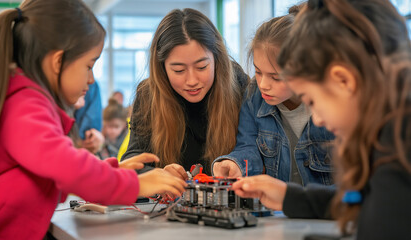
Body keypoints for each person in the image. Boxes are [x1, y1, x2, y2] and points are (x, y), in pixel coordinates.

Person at [0, 1, 186, 238]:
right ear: (58, 61)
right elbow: (66, 168)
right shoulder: (25, 104)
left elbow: (53, 173)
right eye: (89, 66)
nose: (91, 79)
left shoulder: (24, 99)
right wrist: (135, 185)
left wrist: (113, 171)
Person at [231, 0, 411, 239]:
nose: (317, 118)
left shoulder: (397, 150)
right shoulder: (392, 130)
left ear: (344, 81)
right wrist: (290, 197)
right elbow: (364, 202)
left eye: (313, 100)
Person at [212, 4, 335, 186]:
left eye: (276, 77)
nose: (263, 85)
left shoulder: (335, 103)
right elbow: (248, 145)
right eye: (258, 72)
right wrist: (235, 164)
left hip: (327, 211)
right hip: (277, 211)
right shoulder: (253, 94)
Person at [121, 8, 249, 178]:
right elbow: (133, 162)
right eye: (179, 70)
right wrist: (156, 174)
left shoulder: (239, 85)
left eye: (202, 67)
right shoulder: (148, 96)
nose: (192, 80)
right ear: (162, 68)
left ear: (217, 59)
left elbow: (254, 151)